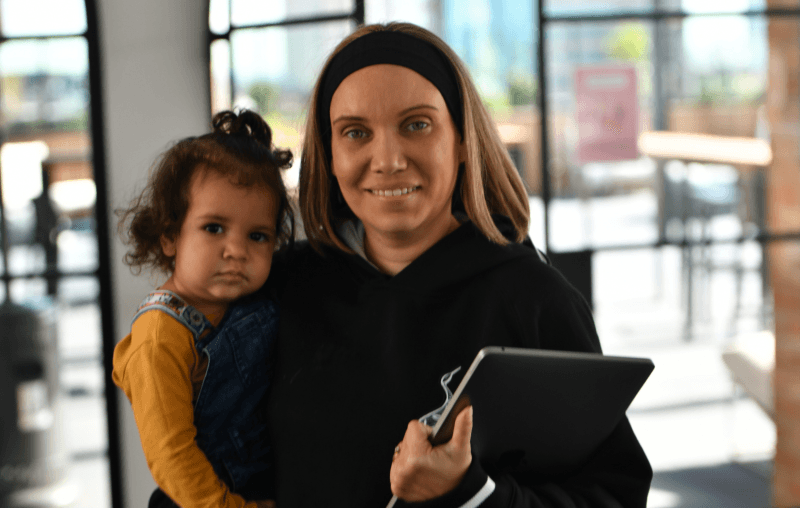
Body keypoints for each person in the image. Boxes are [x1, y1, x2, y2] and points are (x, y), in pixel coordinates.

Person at [265, 22, 652, 508]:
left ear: (463, 139)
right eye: (356, 132)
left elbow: (612, 497)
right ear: (330, 152)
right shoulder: (285, 285)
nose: (387, 159)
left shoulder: (533, 300)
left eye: (416, 125)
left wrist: (472, 495)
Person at [113, 110, 293, 508]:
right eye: (214, 228)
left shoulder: (256, 301)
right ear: (169, 235)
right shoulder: (161, 337)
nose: (237, 250)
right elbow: (170, 455)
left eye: (258, 235)